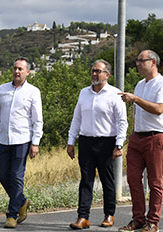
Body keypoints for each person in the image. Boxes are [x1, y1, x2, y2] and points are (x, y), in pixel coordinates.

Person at [67, 59, 128, 229]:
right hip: (86, 141)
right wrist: (70, 142)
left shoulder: (115, 94)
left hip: (106, 142)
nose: (94, 74)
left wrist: (119, 144)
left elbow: (122, 121)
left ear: (107, 75)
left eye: (98, 71)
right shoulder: (83, 93)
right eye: (93, 71)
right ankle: (83, 217)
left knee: (107, 180)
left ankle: (109, 214)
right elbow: (76, 118)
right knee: (85, 180)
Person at [118, 50, 163, 232]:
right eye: (137, 61)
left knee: (155, 182)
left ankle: (153, 222)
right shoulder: (140, 84)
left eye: (142, 61)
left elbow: (158, 109)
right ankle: (138, 219)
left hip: (155, 137)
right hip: (137, 136)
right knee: (133, 180)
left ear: (154, 62)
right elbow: (136, 111)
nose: (138, 64)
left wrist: (135, 99)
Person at [0, 57, 43, 229]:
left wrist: (35, 142)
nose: (17, 71)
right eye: (15, 68)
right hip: (4, 140)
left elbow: (37, 120)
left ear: (28, 72)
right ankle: (22, 201)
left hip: (22, 140)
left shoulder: (33, 92)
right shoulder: (2, 90)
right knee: (3, 175)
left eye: (20, 69)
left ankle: (12, 215)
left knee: (16, 176)